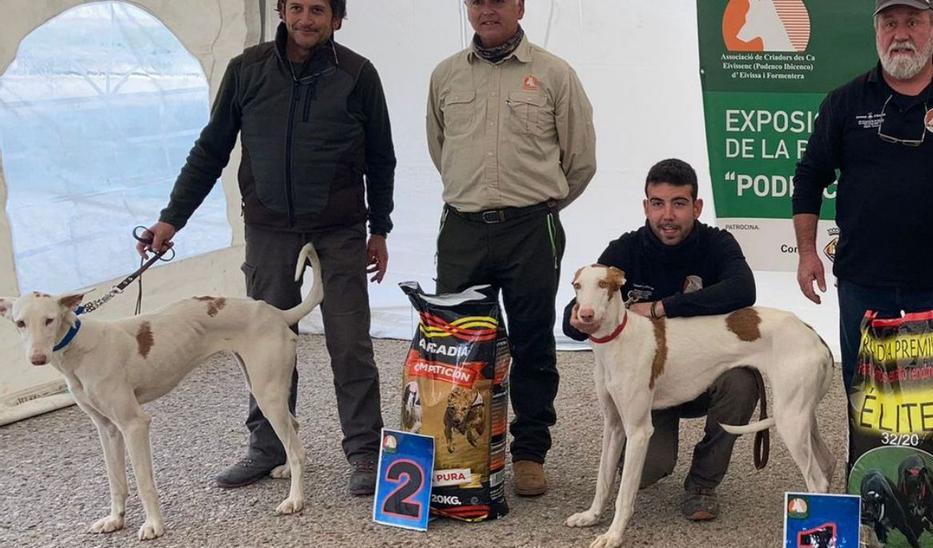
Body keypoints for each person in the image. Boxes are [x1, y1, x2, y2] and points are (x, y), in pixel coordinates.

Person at [137, 0, 394, 496]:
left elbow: (381, 157)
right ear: (281, 11)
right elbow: (211, 148)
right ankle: (267, 446)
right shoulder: (246, 70)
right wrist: (172, 218)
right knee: (258, 341)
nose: (305, 19)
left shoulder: (359, 74)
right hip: (269, 228)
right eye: (295, 7)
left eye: (317, 10)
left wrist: (378, 228)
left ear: (337, 18)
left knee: (351, 343)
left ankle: (364, 450)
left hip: (340, 230)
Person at [791, 0, 933, 541]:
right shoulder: (846, 101)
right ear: (876, 33)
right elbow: (809, 177)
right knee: (864, 391)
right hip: (863, 279)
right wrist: (804, 252)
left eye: (913, 21)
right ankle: (870, 487)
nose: (901, 34)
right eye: (889, 23)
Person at [426, 0, 596, 497]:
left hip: (530, 229)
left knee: (532, 342)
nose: (487, 10)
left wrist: (537, 206)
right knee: (459, 344)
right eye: (477, 1)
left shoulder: (554, 74)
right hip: (461, 228)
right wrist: (475, 196)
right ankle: (465, 453)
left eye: (499, 0)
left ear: (520, 5)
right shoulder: (445, 76)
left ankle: (529, 451)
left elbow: (580, 160)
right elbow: (441, 150)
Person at [563, 158, 758, 521]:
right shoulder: (625, 250)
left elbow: (744, 289)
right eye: (658, 203)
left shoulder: (717, 244)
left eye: (679, 203)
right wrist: (579, 320)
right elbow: (575, 314)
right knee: (647, 469)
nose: (667, 214)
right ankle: (644, 461)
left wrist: (661, 307)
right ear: (646, 207)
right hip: (649, 383)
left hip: (703, 372)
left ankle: (702, 483)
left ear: (696, 207)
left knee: (742, 381)